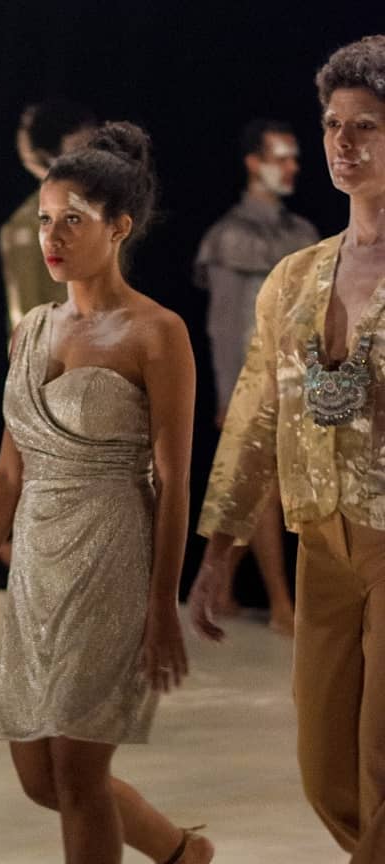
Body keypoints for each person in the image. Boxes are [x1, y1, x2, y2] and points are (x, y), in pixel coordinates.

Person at [0, 122, 213, 864]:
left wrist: (164, 603)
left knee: (80, 768)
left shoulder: (157, 332)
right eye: (44, 218)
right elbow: (7, 470)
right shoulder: (32, 328)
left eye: (73, 219)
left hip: (113, 551)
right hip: (36, 562)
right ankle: (179, 852)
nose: (52, 236)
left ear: (119, 226)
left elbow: (175, 479)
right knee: (41, 777)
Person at [191, 35, 385, 864]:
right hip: (324, 549)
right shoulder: (297, 275)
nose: (344, 146)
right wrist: (221, 543)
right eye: (334, 128)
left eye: (367, 128)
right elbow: (256, 416)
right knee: (328, 776)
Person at [194, 119, 319, 635]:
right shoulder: (230, 237)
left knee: (257, 484)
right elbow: (224, 323)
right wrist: (229, 392)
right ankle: (281, 602)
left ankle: (219, 586)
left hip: (297, 377)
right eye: (279, 157)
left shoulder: (301, 233)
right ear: (253, 162)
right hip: (253, 377)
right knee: (260, 484)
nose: (290, 167)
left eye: (293, 157)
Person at [0, 100, 96, 334]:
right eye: (79, 149)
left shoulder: (101, 212)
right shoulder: (27, 225)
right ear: (49, 158)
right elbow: (28, 321)